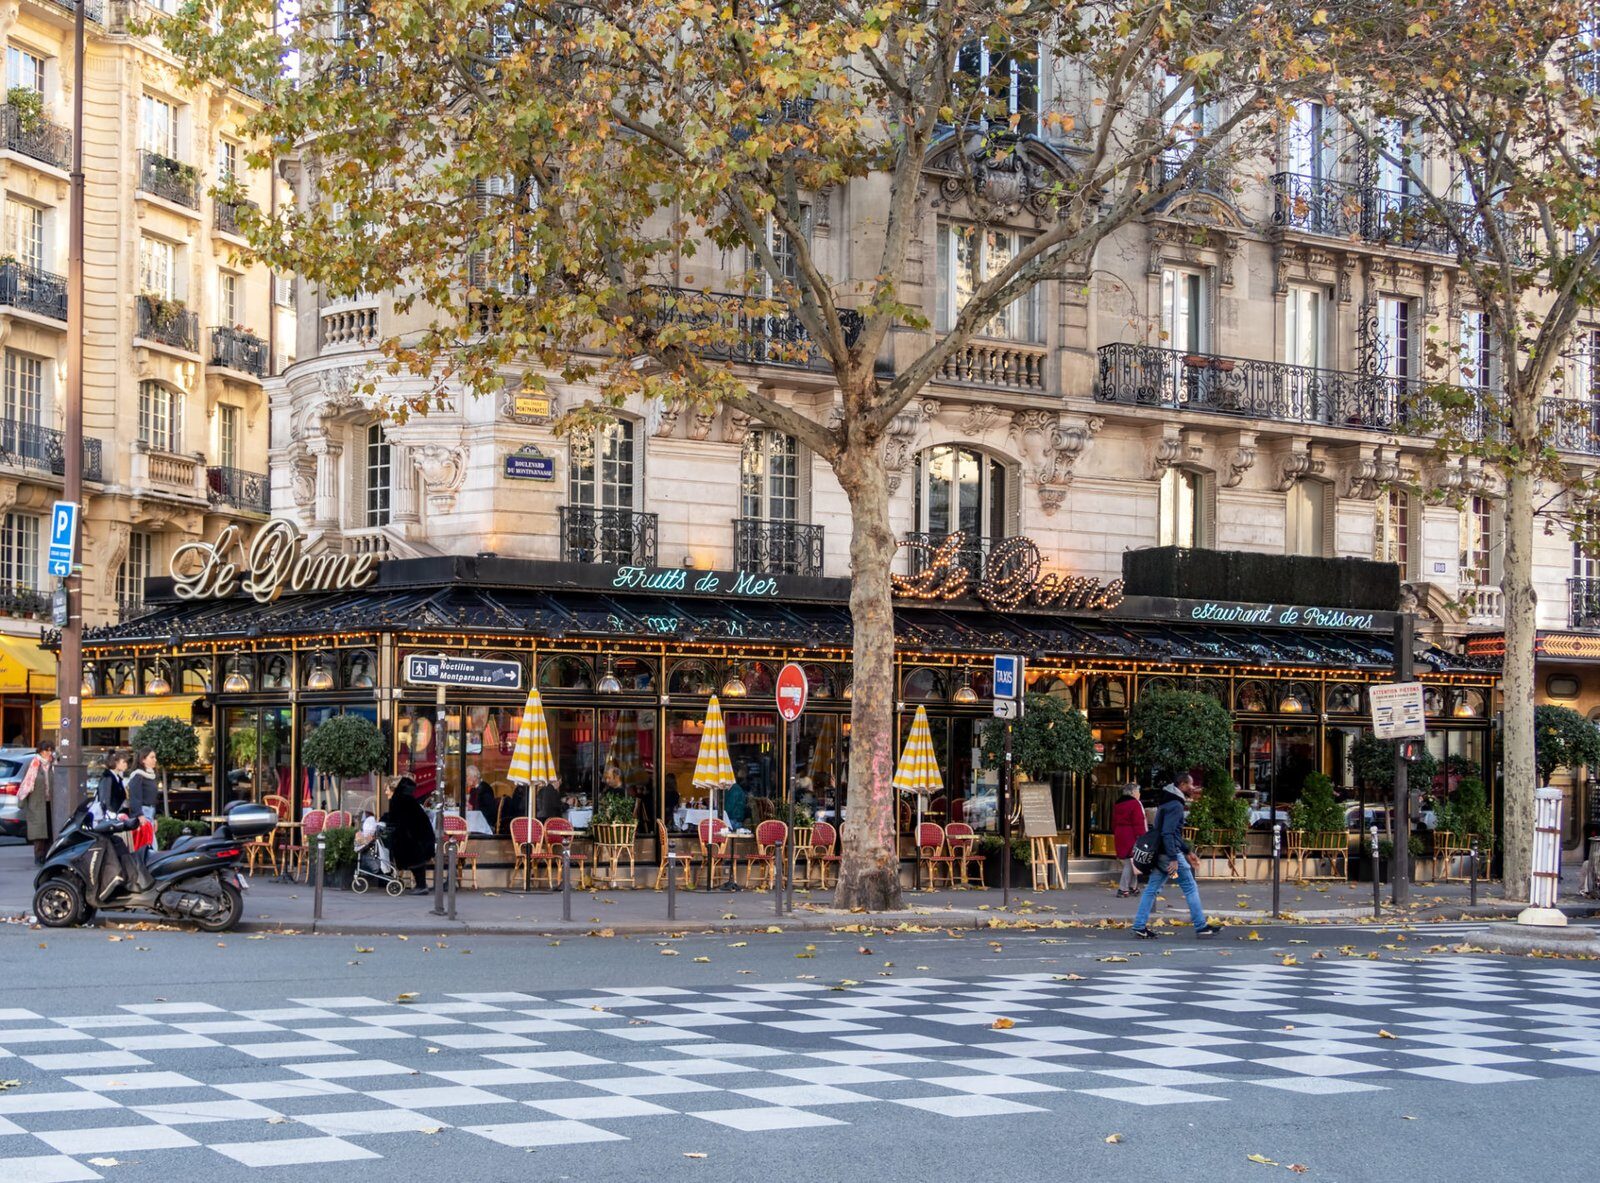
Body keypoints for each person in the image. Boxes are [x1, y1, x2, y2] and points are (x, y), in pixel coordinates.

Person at [1132, 773, 1221, 939]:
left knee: (1152, 888)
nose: (1193, 787)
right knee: (1189, 885)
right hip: (1170, 858)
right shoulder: (1176, 805)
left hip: (1162, 856)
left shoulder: (1166, 801)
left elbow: (1168, 832)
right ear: (1181, 785)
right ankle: (1201, 926)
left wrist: (1187, 852)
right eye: (1190, 784)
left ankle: (1139, 925)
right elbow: (1169, 833)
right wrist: (1175, 857)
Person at [382, 776, 437, 895]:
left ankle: (421, 886)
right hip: (419, 835)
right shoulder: (406, 799)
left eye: (387, 789)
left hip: (414, 836)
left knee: (414, 859)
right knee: (416, 860)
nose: (385, 792)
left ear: (393, 789)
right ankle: (421, 885)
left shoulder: (398, 800)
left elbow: (396, 818)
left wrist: (384, 820)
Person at [18, 740, 57, 864]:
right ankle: (39, 857)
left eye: (51, 750)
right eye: (46, 750)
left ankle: (49, 856)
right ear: (40, 751)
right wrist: (22, 801)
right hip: (37, 803)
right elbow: (26, 783)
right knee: (39, 832)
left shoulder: (53, 764)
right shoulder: (33, 764)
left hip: (51, 803)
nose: (49, 753)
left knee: (51, 830)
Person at [1112, 783, 1147, 898]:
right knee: (1129, 861)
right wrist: (1142, 837)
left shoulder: (1118, 803)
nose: (1139, 794)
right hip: (1131, 834)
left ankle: (1133, 887)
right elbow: (1138, 822)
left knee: (1132, 860)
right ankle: (1123, 889)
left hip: (1120, 833)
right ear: (1133, 793)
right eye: (1138, 792)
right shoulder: (1135, 804)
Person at [126, 749, 161, 821]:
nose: (155, 760)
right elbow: (135, 797)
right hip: (142, 813)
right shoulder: (138, 776)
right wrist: (139, 814)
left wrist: (154, 818)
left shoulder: (152, 776)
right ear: (143, 759)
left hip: (151, 811)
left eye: (155, 757)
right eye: (152, 757)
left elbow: (152, 799)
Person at [95, 752, 131, 821]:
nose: (126, 765)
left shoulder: (117, 778)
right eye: (124, 762)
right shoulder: (108, 777)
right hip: (109, 818)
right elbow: (105, 799)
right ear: (115, 763)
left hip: (116, 816)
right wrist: (110, 814)